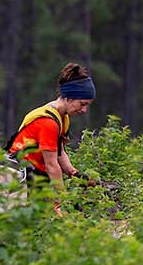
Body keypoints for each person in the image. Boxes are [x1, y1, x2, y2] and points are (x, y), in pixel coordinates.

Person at [7, 63, 96, 196]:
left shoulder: (62, 118)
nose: (84, 110)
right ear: (68, 97)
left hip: (30, 175)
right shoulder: (48, 122)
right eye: (82, 104)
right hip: (15, 176)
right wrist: (62, 200)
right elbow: (52, 166)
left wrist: (75, 174)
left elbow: (59, 152)